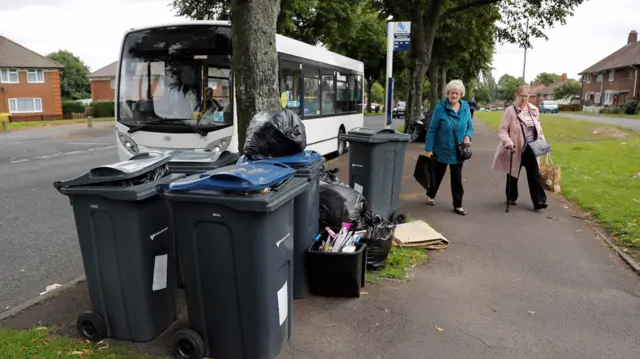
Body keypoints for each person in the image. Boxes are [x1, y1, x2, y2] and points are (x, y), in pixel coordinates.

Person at [491, 84, 548, 211]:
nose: (524, 99)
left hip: (532, 148)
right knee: (513, 173)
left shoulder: (534, 110)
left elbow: (539, 129)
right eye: (521, 96)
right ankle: (511, 196)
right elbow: (502, 130)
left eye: (526, 96)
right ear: (516, 95)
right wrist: (508, 142)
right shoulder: (510, 111)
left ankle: (539, 200)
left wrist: (543, 143)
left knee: (534, 175)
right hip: (516, 147)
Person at [424, 79, 474, 216]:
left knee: (457, 178)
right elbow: (432, 129)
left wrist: (468, 136)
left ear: (461, 94)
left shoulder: (465, 108)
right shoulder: (441, 108)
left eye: (457, 93)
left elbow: (469, 126)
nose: (454, 95)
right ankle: (431, 194)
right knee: (437, 175)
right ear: (448, 93)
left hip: (458, 151)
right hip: (441, 149)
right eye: (452, 93)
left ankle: (458, 205)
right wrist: (429, 149)